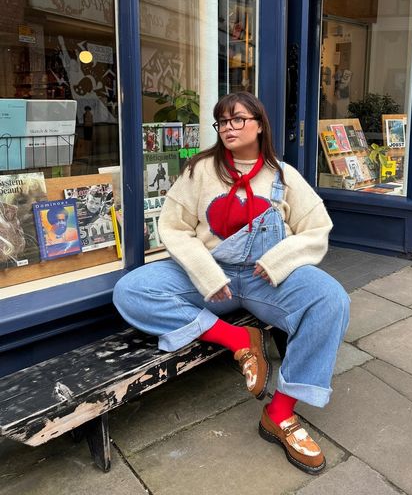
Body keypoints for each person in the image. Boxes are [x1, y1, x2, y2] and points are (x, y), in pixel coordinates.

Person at [113, 91, 350, 474]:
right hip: (210, 278)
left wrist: (276, 262)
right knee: (132, 290)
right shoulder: (198, 171)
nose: (229, 127)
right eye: (222, 121)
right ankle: (239, 341)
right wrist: (206, 275)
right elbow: (173, 228)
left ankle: (280, 414)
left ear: (259, 124)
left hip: (264, 280)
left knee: (331, 301)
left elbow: (317, 229)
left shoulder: (284, 176)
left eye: (238, 119)